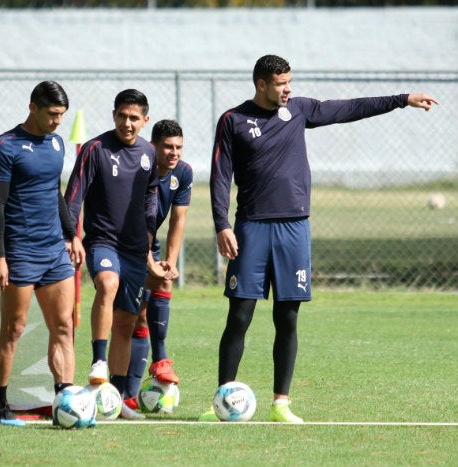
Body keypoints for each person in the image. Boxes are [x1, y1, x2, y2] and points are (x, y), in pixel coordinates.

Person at [206, 54, 438, 423]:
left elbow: (347, 108)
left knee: (288, 317)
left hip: (295, 227)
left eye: (289, 82)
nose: (288, 89)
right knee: (240, 315)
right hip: (251, 227)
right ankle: (220, 402)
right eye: (281, 84)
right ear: (261, 84)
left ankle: (281, 403)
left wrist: (401, 98)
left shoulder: (298, 111)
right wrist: (222, 224)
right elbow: (220, 176)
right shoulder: (233, 120)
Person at [0, 81, 84, 427]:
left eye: (61, 115)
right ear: (33, 107)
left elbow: (54, 193)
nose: (58, 122)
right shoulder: (4, 147)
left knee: (63, 326)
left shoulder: (56, 144)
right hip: (20, 252)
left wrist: (72, 235)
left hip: (55, 250)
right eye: (53, 114)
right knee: (13, 328)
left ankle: (65, 404)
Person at [64, 89, 160, 419]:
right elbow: (73, 196)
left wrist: (150, 234)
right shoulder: (96, 149)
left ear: (145, 120)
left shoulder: (149, 153)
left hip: (135, 248)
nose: (127, 122)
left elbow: (151, 196)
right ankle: (98, 360)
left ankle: (114, 400)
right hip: (102, 241)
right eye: (122, 115)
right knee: (107, 284)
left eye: (134, 117)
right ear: (114, 115)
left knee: (126, 322)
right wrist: (71, 236)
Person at [123, 119, 192, 408]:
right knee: (130, 318)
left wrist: (171, 263)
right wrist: (148, 261)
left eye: (178, 147)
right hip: (122, 243)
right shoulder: (140, 171)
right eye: (167, 146)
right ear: (154, 146)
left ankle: (131, 394)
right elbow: (133, 222)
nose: (174, 152)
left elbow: (178, 220)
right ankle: (149, 368)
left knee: (145, 308)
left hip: (150, 243)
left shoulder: (184, 174)